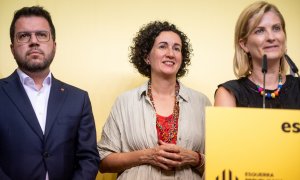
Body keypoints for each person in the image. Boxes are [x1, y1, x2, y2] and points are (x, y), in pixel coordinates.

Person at [97, 21, 211, 180]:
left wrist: (195, 158)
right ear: (146, 57)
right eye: (163, 46)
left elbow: (222, 163)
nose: (170, 53)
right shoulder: (124, 102)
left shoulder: (201, 103)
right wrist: (146, 156)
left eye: (177, 48)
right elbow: (103, 160)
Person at [0, 6, 100, 180]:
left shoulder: (78, 99)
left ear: (54, 45)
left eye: (42, 34)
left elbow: (88, 159)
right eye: (24, 36)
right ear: (12, 48)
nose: (34, 41)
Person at [214, 1, 300, 108]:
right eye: (260, 31)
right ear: (244, 44)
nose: (271, 37)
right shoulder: (228, 94)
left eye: (276, 28)